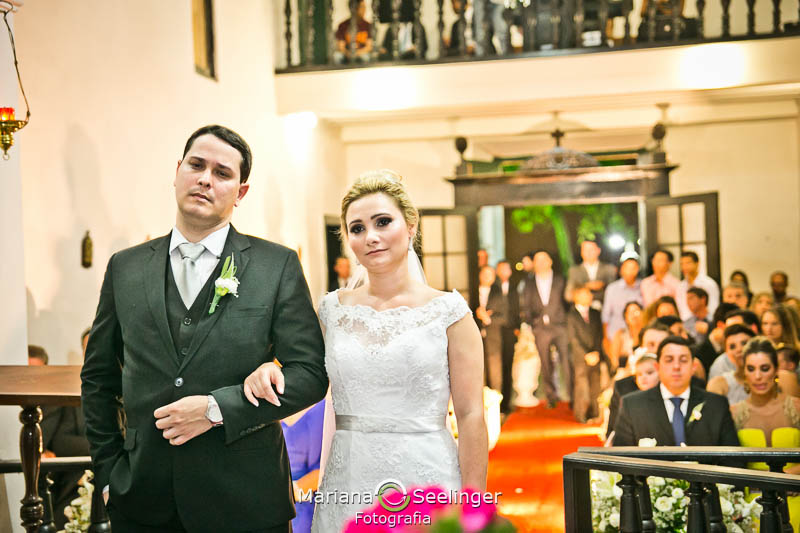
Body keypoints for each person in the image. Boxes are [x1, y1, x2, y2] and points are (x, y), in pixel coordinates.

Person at [81, 125, 328, 532]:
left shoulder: (275, 265)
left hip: (245, 497)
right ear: (178, 170)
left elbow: (311, 375)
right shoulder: (125, 267)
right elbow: (98, 378)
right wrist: (108, 475)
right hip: (142, 497)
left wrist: (216, 410)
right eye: (196, 165)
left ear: (241, 192)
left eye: (222, 172)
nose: (205, 179)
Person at [247, 170, 487, 532]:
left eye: (383, 222)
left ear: (410, 225)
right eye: (357, 228)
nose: (370, 237)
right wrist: (267, 368)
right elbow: (300, 371)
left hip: (427, 476)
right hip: (349, 476)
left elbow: (470, 415)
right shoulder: (331, 311)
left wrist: (473, 510)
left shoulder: (450, 314)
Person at [613, 336, 739, 446]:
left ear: (693, 367)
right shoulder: (633, 406)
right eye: (669, 360)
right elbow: (622, 463)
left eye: (683, 360)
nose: (676, 366)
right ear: (657, 367)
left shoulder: (716, 404)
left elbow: (733, 459)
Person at [731, 337, 800, 474]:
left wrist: (789, 477)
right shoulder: (733, 414)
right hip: (749, 492)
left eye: (764, 368)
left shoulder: (797, 408)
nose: (757, 376)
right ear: (744, 372)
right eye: (751, 369)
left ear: (775, 370)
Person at [518, 250, 570, 408]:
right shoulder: (529, 283)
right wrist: (532, 323)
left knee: (567, 361)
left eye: (544, 259)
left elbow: (568, 302)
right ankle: (551, 396)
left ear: (550, 261)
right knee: (546, 363)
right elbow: (525, 305)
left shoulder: (561, 280)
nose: (540, 263)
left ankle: (572, 395)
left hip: (561, 326)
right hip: (540, 328)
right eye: (537, 260)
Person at [282, 400, 326, 533]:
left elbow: (325, 468)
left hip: (302, 503)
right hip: (269, 501)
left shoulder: (322, 410)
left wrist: (288, 495)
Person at [568, 285, 606, 423]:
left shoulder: (595, 313)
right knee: (582, 385)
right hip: (580, 356)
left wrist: (596, 352)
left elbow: (599, 335)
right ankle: (581, 414)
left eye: (590, 294)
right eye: (586, 294)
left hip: (595, 355)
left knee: (595, 384)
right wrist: (586, 354)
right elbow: (573, 339)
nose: (590, 297)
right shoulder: (571, 315)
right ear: (577, 297)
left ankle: (595, 413)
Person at [476, 264, 507, 392]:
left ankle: (495, 402)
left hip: (493, 336)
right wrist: (477, 314)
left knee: (495, 369)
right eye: (484, 274)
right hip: (475, 336)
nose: (487, 277)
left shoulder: (499, 294)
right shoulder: (472, 291)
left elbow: (504, 317)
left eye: (490, 274)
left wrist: (487, 318)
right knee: (477, 369)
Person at [495, 259, 520, 415]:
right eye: (501, 269)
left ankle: (507, 401)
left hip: (510, 330)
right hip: (495, 330)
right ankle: (495, 400)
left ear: (510, 271)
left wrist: (517, 327)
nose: (504, 272)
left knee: (508, 364)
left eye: (506, 269)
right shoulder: (493, 287)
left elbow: (518, 308)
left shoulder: (515, 287)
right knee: (495, 365)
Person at [602, 251, 643, 342]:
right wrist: (606, 338)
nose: (630, 271)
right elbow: (606, 315)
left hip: (637, 333)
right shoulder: (612, 288)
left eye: (633, 268)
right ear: (622, 269)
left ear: (638, 269)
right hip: (616, 333)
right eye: (627, 267)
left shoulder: (642, 286)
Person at [565, 239, 617, 310]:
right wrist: (586, 286)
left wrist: (601, 287)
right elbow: (568, 295)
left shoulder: (608, 269)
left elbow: (614, 293)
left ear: (598, 250)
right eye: (585, 250)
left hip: (605, 311)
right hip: (583, 314)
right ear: (581, 252)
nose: (588, 253)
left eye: (591, 249)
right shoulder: (574, 271)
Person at [676, 251, 719, 320]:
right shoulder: (680, 286)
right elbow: (680, 307)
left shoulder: (709, 283)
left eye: (688, 263)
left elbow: (713, 306)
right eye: (682, 264)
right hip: (686, 322)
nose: (684, 267)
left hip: (706, 321)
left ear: (697, 263)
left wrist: (709, 323)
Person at [334, 0, 373, 64]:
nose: (364, 10)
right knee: (337, 56)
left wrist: (357, 53)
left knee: (365, 58)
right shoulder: (343, 25)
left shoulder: (368, 25)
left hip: (362, 53)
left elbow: (369, 46)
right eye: (362, 7)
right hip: (347, 54)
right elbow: (341, 46)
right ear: (353, 9)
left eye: (365, 7)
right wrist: (348, 54)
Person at [608, 301, 643, 371]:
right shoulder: (620, 334)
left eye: (636, 311)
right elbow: (614, 359)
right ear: (625, 318)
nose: (633, 315)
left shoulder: (648, 333)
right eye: (630, 312)